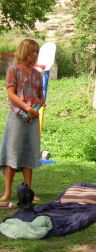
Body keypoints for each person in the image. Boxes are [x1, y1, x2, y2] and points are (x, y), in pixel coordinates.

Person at [0, 39, 44, 202]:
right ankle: (7, 192)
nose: (35, 54)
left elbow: (41, 96)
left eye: (37, 52)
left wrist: (38, 106)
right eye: (33, 51)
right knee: (12, 153)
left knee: (29, 152)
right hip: (17, 117)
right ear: (25, 51)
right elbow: (11, 94)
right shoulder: (13, 69)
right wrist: (27, 108)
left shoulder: (37, 74)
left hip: (32, 119)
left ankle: (28, 193)